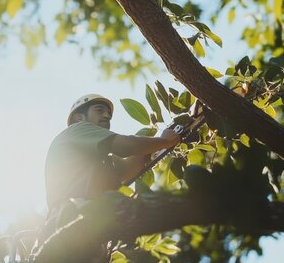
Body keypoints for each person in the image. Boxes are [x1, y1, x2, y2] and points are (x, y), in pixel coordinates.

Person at [37, 94, 180, 247]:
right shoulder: (77, 129)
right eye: (99, 110)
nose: (107, 116)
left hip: (83, 224)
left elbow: (126, 171)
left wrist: (150, 151)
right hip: (68, 217)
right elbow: (127, 146)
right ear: (79, 117)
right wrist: (165, 141)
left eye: (109, 115)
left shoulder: (97, 158)